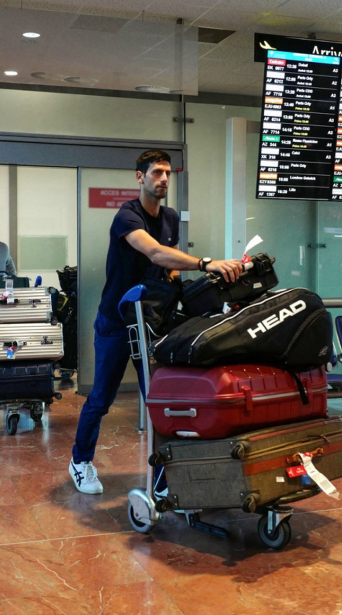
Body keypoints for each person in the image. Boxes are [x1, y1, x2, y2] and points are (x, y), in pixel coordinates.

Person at [70, 149, 243, 494]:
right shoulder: (127, 216)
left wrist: (188, 285)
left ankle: (165, 479)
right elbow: (154, 252)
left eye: (168, 173)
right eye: (157, 173)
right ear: (140, 177)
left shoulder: (171, 217)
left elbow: (170, 262)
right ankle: (80, 461)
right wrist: (206, 263)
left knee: (161, 399)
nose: (164, 179)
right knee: (101, 398)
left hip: (150, 321)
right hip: (117, 321)